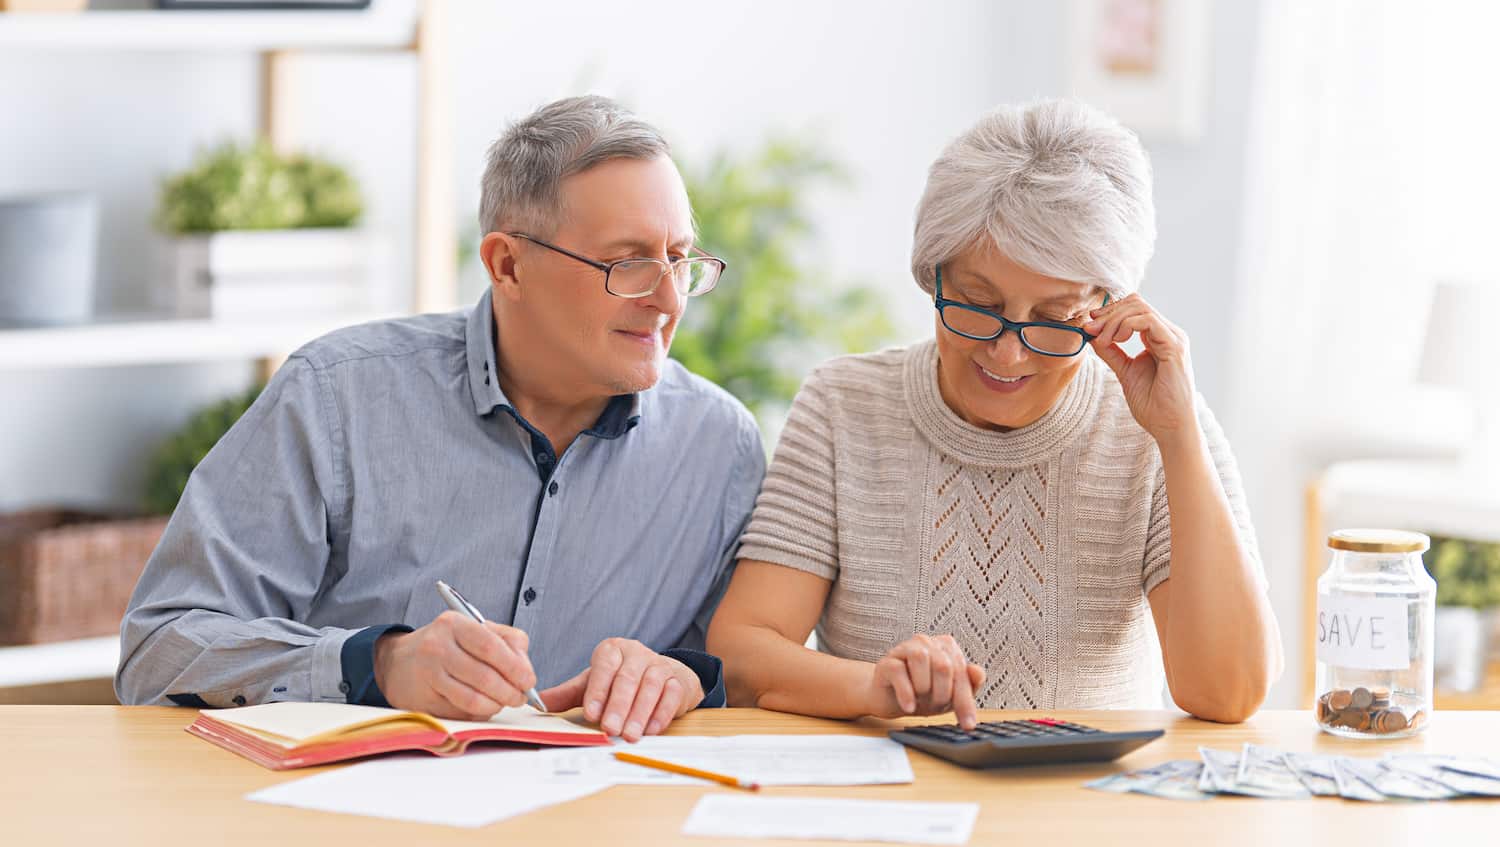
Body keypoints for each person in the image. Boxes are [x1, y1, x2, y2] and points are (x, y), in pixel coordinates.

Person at [117, 96, 765, 743]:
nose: (668, 298)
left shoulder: (722, 448)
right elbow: (158, 650)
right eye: (628, 263)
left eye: (680, 260)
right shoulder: (334, 398)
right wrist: (379, 664)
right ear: (507, 265)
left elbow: (748, 672)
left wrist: (683, 676)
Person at [707, 99, 1282, 728]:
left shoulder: (1156, 428)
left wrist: (1177, 438)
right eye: (979, 304)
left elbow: (1228, 692)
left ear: (1107, 309)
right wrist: (876, 687)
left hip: (1081, 810)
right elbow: (740, 653)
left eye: (1054, 318)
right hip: (892, 809)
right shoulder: (844, 407)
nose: (1007, 353)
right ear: (934, 277)